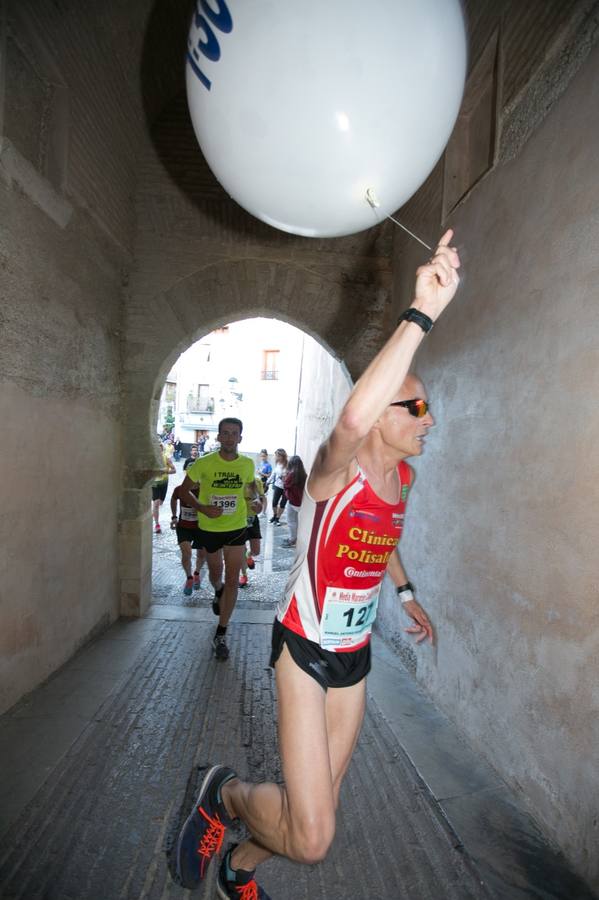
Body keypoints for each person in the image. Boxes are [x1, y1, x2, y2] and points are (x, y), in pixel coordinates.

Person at [173, 231, 461, 899]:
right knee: (313, 836)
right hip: (302, 648)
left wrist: (408, 592)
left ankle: (237, 869)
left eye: (427, 406)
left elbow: (381, 539)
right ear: (379, 416)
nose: (428, 418)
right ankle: (228, 793)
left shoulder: (403, 480)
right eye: (413, 407)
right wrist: (420, 315)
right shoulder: (338, 470)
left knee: (314, 816)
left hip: (354, 656)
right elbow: (353, 416)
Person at [179, 418, 257, 661]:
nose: (230, 437)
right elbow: (182, 491)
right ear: (219, 437)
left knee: (233, 580)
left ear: (240, 438)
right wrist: (202, 508)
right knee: (216, 574)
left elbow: (251, 487)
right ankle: (218, 589)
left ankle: (221, 633)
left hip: (235, 528)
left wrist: (256, 500)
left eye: (235, 433)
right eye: (225, 433)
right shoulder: (203, 463)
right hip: (210, 529)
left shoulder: (247, 464)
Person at [170, 480, 207, 595]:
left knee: (202, 555)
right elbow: (173, 499)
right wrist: (174, 517)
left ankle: (196, 573)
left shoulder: (205, 490)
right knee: (186, 554)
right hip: (184, 527)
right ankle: (189, 578)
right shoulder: (180, 489)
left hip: (201, 527)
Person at [239, 478, 266, 588]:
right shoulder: (236, 480)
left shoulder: (257, 481)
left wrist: (261, 509)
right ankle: (243, 575)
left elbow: (262, 497)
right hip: (238, 520)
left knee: (256, 551)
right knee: (241, 549)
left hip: (252, 519)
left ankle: (248, 556)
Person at [282, 455, 307, 548]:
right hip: (301, 502)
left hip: (293, 501)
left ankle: (292, 539)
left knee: (291, 521)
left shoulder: (291, 474)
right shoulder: (304, 475)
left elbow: (285, 486)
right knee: (297, 521)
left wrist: (284, 478)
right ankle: (297, 538)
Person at [151, 443, 176, 534]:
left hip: (164, 483)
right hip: (154, 484)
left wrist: (165, 471)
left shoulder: (166, 458)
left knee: (160, 503)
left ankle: (153, 512)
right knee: (156, 503)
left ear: (162, 450)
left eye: (160, 449)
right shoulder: (152, 459)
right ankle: (157, 525)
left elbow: (174, 470)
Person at [268, 449, 288, 525]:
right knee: (274, 502)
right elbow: (274, 473)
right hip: (277, 486)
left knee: (283, 503)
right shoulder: (277, 464)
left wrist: (284, 477)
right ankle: (274, 516)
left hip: (286, 487)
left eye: (277, 455)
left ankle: (277, 518)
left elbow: (289, 476)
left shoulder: (287, 464)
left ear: (282, 456)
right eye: (276, 455)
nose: (276, 457)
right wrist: (267, 482)